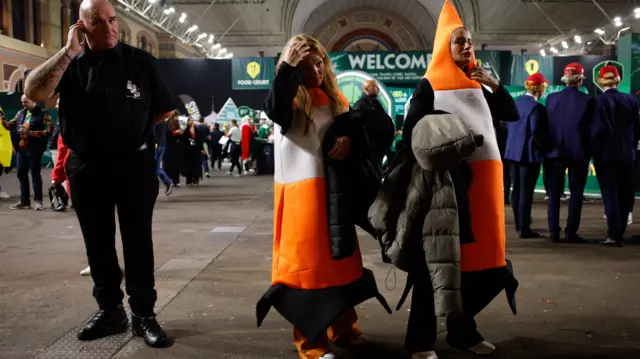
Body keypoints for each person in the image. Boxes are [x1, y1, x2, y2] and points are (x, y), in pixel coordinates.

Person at [23, 0, 175, 347]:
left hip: (133, 166)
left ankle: (143, 315)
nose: (111, 28)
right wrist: (66, 52)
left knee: (138, 242)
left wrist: (129, 133)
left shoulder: (141, 62)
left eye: (113, 20)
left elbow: (164, 110)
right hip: (87, 167)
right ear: (82, 26)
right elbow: (34, 90)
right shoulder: (71, 65)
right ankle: (111, 311)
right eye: (99, 22)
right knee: (98, 244)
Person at [255, 34, 390, 359]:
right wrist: (287, 66)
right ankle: (310, 341)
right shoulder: (287, 101)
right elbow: (274, 109)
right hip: (302, 199)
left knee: (339, 263)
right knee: (308, 269)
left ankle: (344, 328)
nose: (315, 70)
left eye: (318, 63)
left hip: (335, 196)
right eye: (305, 66)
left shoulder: (336, 98)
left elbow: (353, 133)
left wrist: (349, 140)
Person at [399, 1, 519, 357]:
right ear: (444, 47)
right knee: (436, 263)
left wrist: (495, 86)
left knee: (483, 266)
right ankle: (419, 341)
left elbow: (510, 114)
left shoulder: (480, 83)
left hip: (486, 191)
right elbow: (411, 139)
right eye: (459, 42)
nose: (467, 47)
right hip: (447, 191)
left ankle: (461, 332)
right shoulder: (428, 86)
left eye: (469, 41)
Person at [591, 65, 640, 247]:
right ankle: (620, 232)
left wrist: (594, 152)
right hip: (628, 154)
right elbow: (637, 129)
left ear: (601, 80)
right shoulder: (632, 100)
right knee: (625, 193)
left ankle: (613, 234)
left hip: (606, 155)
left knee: (610, 194)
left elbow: (597, 130)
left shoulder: (599, 102)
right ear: (618, 80)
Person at [545, 63, 593, 243]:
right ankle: (570, 231)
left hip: (555, 152)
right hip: (579, 153)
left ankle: (553, 232)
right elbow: (591, 129)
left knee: (554, 193)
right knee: (577, 193)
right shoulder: (587, 100)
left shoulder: (551, 99)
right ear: (580, 79)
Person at [505, 73, 550, 239]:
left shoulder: (516, 103)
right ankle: (524, 228)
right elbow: (537, 131)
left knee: (516, 190)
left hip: (512, 153)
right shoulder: (537, 108)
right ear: (539, 88)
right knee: (526, 192)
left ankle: (519, 223)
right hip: (528, 155)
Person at [7, 95, 52, 211]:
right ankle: (24, 201)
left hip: (34, 149)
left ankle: (38, 201)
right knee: (21, 174)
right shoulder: (20, 113)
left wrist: (30, 133)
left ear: (33, 100)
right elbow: (8, 126)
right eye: (22, 102)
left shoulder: (44, 113)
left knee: (35, 174)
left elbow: (48, 131)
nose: (23, 104)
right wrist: (1, 118)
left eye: (25, 102)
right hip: (21, 149)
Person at [353, 79, 395, 168]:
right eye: (375, 86)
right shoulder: (361, 105)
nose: (378, 89)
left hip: (379, 150)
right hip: (369, 152)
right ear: (366, 89)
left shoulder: (376, 104)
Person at [181, 117, 204, 186]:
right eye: (190, 120)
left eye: (192, 120)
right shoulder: (185, 131)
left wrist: (202, 149)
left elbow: (200, 140)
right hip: (188, 151)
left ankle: (196, 180)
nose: (192, 122)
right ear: (188, 122)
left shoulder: (197, 130)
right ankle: (189, 181)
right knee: (188, 166)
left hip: (196, 150)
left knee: (197, 166)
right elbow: (183, 140)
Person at [155, 114, 175, 196]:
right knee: (157, 167)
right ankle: (167, 182)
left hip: (156, 145)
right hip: (162, 145)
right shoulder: (164, 122)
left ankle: (168, 181)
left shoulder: (156, 120)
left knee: (155, 168)